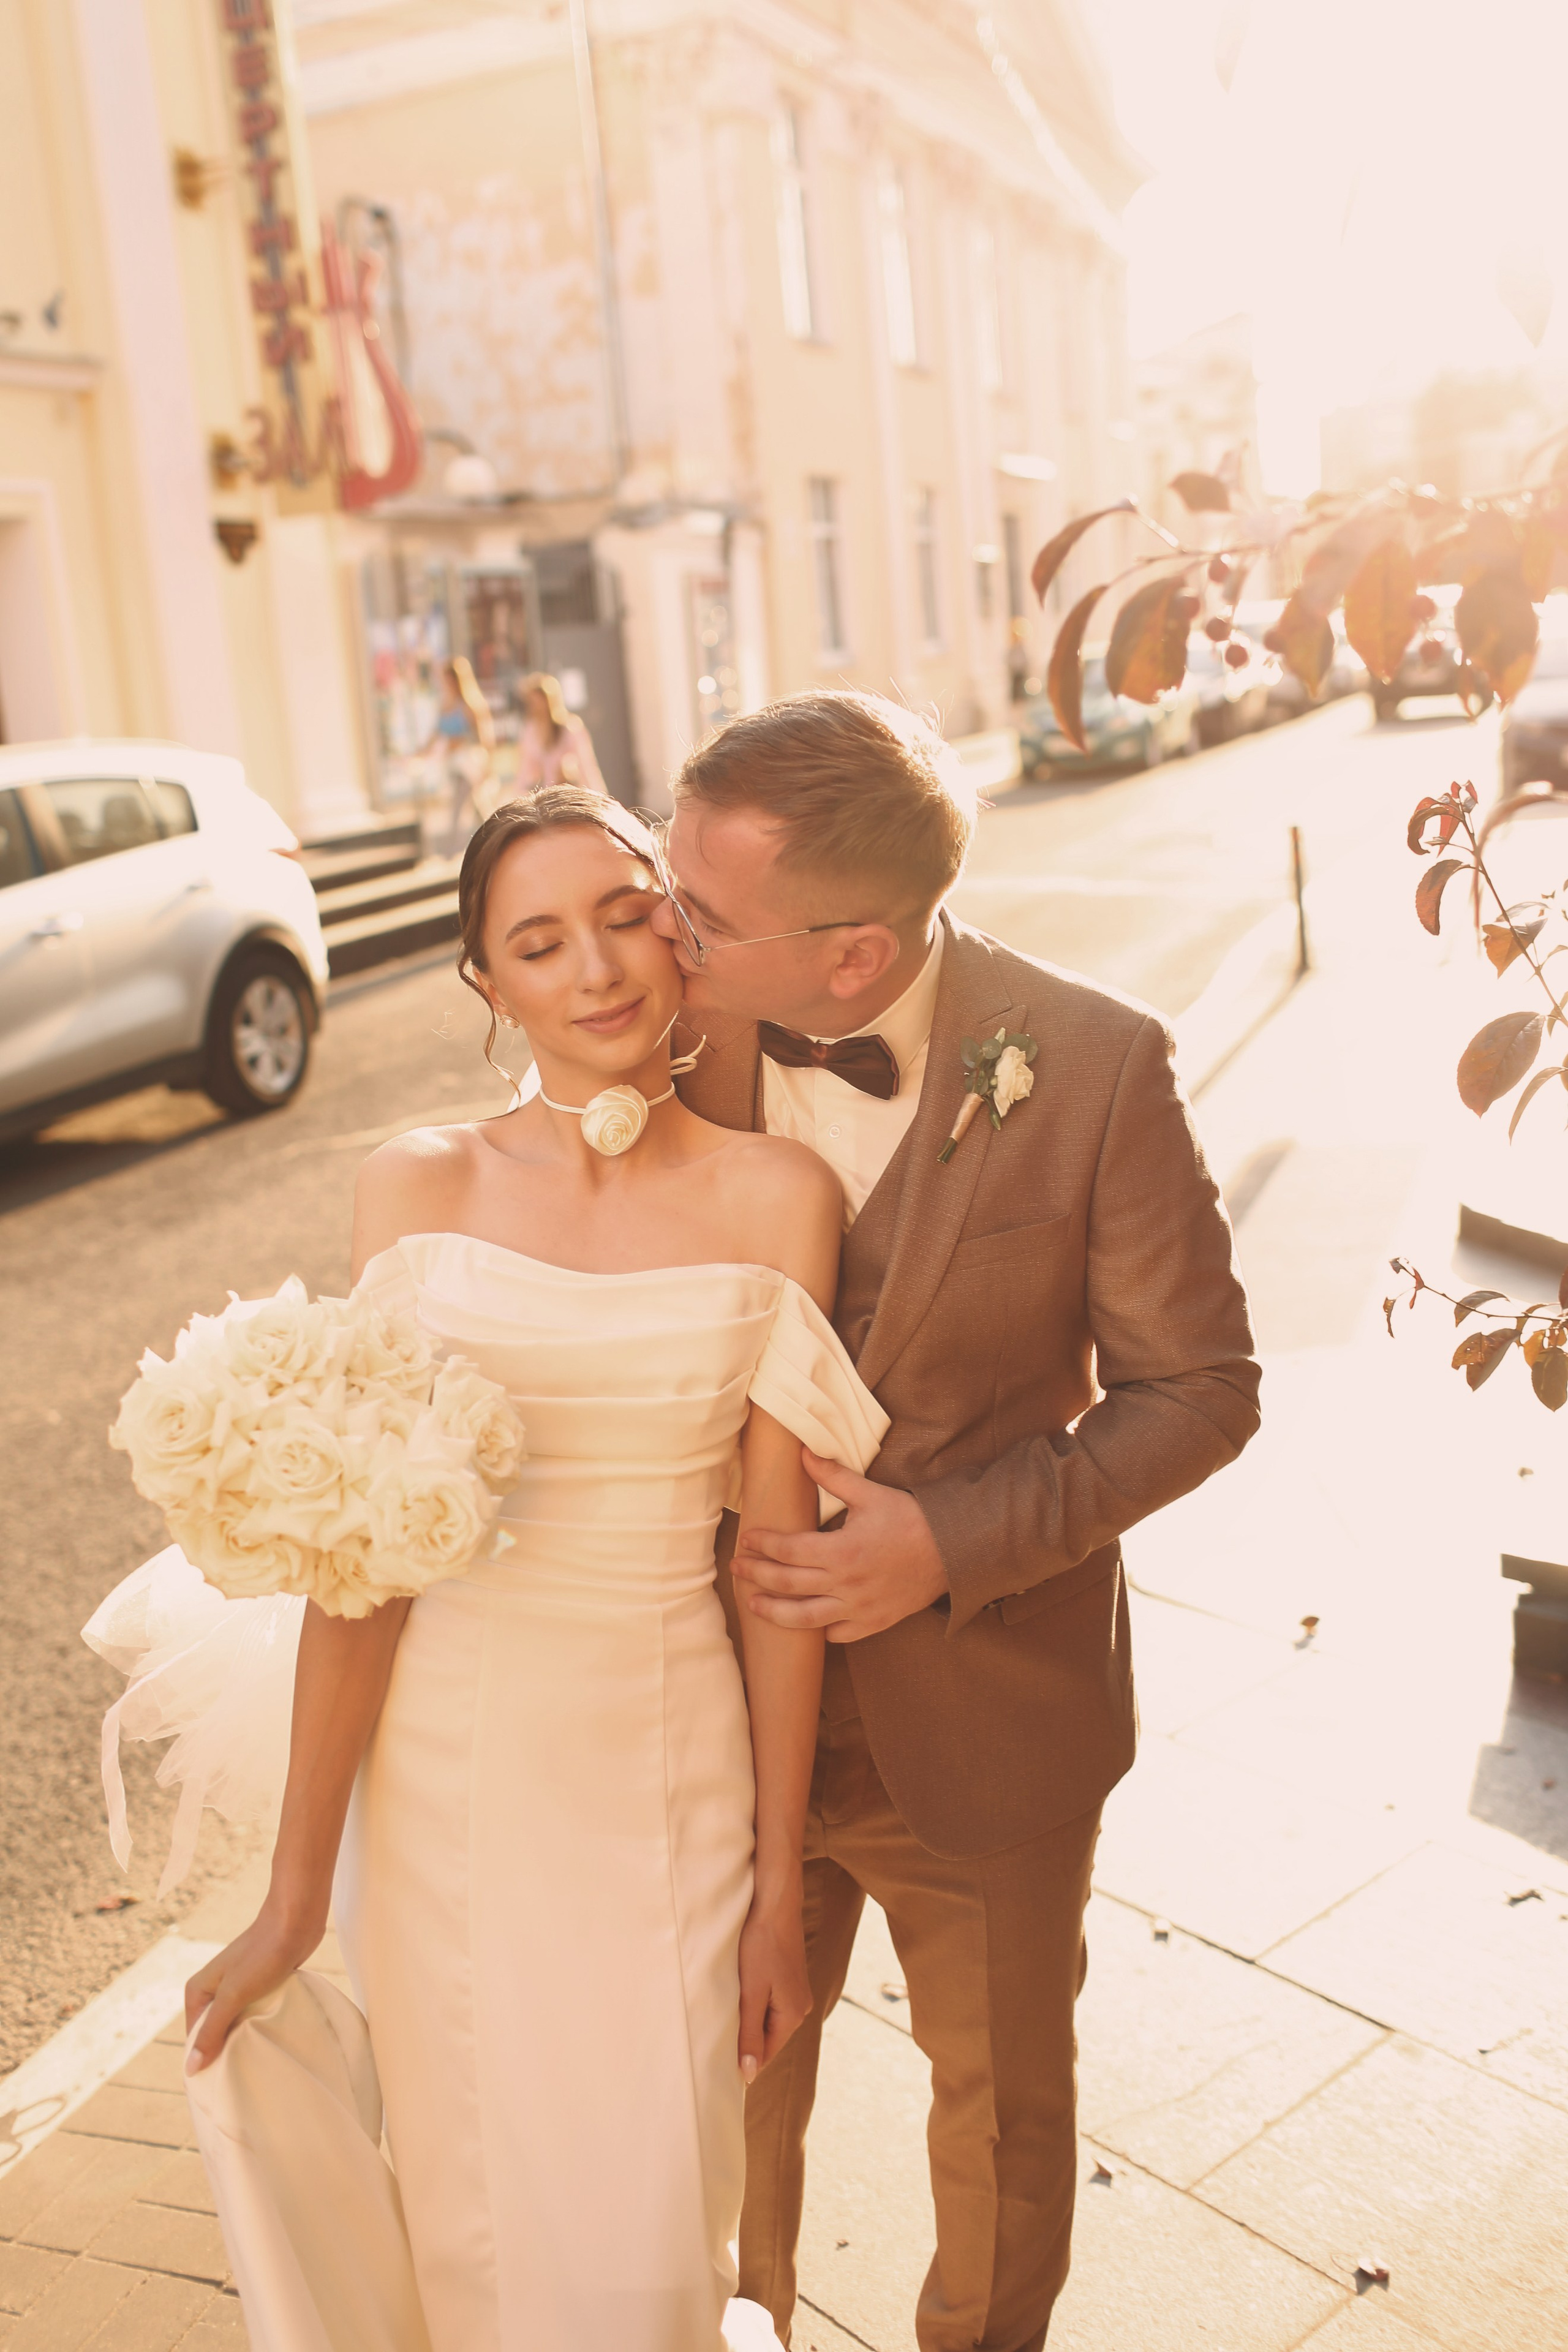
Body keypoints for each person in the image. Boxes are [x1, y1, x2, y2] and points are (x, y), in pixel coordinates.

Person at [85, 786, 889, 2352]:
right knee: (473, 2216)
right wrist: (294, 1891)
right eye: (538, 941)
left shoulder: (777, 1194)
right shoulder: (418, 1183)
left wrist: (781, 1889)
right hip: (446, 1779)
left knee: (652, 2207)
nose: (594, 967)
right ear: (488, 984)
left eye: (621, 914)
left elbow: (773, 1568)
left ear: (676, 924)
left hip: (666, 1767)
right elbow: (361, 1562)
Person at [652, 689, 1261, 2352]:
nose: (658, 923)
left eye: (701, 908)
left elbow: (1202, 1386)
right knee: (712, 2121)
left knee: (1000, 2136)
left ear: (852, 957)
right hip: (697, 1708)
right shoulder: (652, 1037)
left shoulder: (1096, 1065)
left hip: (986, 1713)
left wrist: (948, 1541)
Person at [429, 655, 495, 851]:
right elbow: (435, 735)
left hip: (468, 765)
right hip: (452, 765)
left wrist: (488, 765)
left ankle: (451, 852)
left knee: (459, 807)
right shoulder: (445, 705)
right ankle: (494, 841)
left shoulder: (470, 705)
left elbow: (485, 737)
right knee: (478, 808)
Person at [514, 668, 607, 795]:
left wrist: (599, 797)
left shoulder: (569, 728)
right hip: (544, 798)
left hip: (568, 795)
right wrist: (517, 797)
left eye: (537, 702)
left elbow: (587, 767)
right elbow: (524, 771)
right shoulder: (530, 731)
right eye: (531, 702)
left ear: (549, 702)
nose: (534, 707)